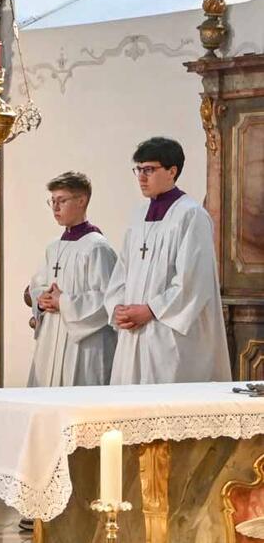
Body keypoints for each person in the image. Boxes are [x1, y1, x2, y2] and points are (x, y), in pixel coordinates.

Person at [105, 137, 231, 384]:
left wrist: (150, 310)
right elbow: (122, 271)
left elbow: (193, 281)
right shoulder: (138, 215)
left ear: (172, 171)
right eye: (138, 169)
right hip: (133, 333)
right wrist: (119, 307)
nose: (141, 177)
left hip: (168, 335)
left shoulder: (191, 215)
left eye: (149, 169)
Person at [26, 171, 117, 387]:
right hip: (51, 339)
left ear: (81, 201)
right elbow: (38, 284)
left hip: (83, 346)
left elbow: (108, 298)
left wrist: (64, 302)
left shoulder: (97, 247)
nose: (55, 208)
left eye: (62, 200)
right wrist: (41, 299)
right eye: (52, 201)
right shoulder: (54, 247)